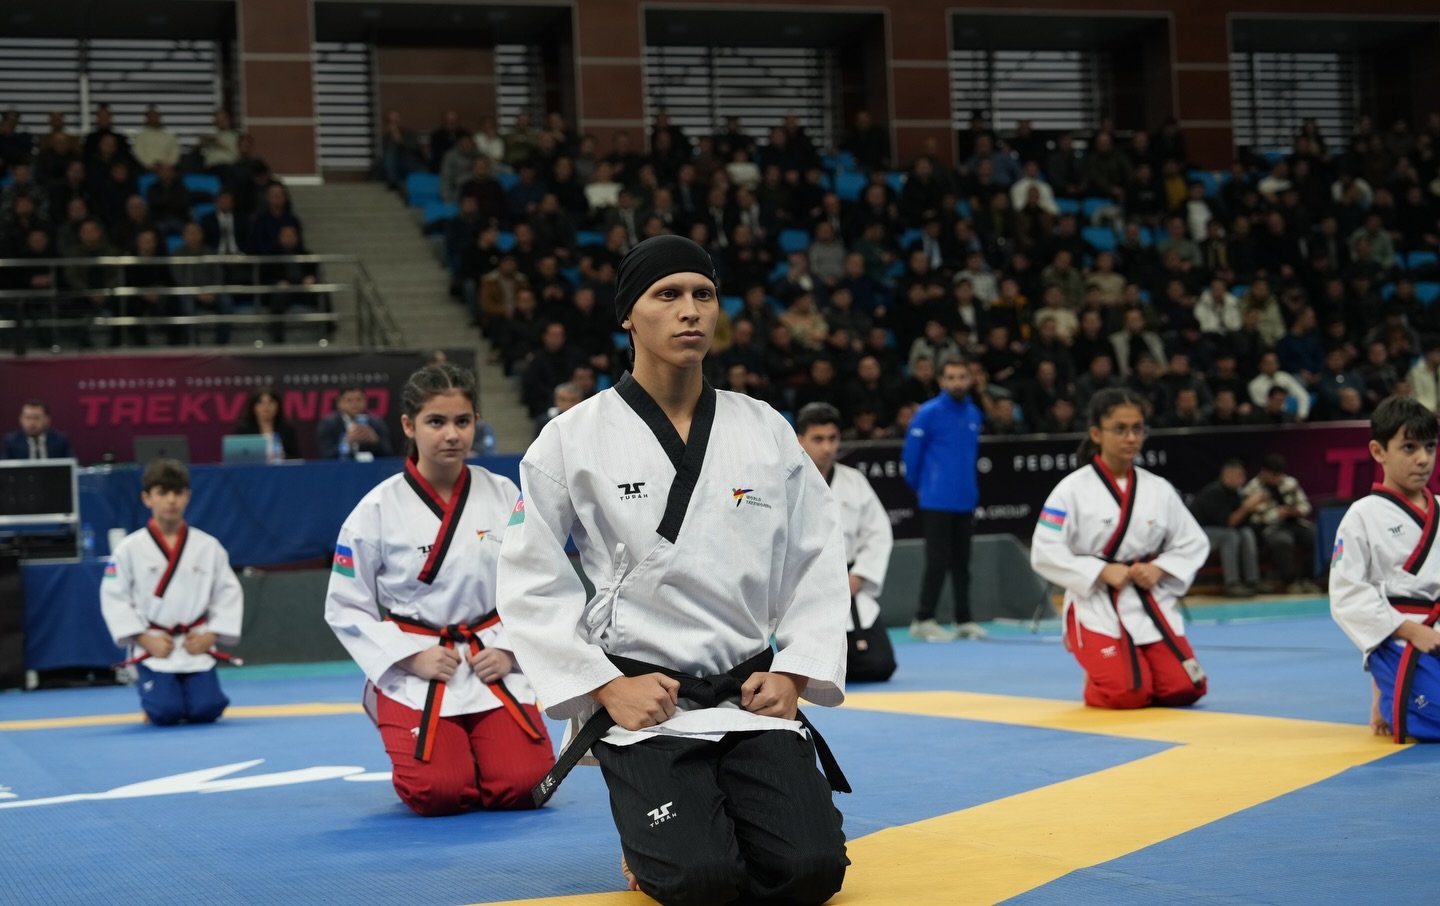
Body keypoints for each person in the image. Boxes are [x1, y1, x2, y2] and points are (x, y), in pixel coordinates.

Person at [496, 235, 850, 903]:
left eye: (703, 294)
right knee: (699, 880)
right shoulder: (572, 437)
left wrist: (795, 671)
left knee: (810, 870)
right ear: (628, 316)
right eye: (668, 295)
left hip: (748, 693)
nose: (691, 310)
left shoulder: (764, 428)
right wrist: (605, 687)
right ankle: (653, 835)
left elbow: (818, 553)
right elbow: (529, 577)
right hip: (645, 704)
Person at [325, 365, 554, 815]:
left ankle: (485, 752)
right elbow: (346, 606)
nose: (452, 434)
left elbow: (538, 580)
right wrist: (410, 657)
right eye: (436, 422)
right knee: (438, 792)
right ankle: (449, 754)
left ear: (475, 423)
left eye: (462, 421)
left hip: (490, 657)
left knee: (527, 786)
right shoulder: (376, 509)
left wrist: (509, 648)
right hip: (419, 665)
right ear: (409, 425)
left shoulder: (503, 493)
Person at [1030, 388, 1211, 709]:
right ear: (1096, 434)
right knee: (1127, 694)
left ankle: (1135, 670)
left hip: (1146, 598)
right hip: (1096, 602)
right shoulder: (1070, 491)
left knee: (1187, 688)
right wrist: (1100, 570)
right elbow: (1045, 551)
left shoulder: (1158, 489)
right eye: (1120, 429)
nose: (1131, 438)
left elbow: (1193, 541)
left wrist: (1159, 568)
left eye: (1137, 429)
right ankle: (1100, 675)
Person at [1330, 396, 1440, 743]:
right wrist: (1410, 630)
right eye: (1409, 447)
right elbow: (1347, 593)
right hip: (1400, 635)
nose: (1423, 459)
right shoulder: (1362, 515)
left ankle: (1392, 692)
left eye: (1430, 446)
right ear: (1378, 451)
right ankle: (1390, 690)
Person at [99, 459, 243, 725]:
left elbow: (228, 593)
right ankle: (154, 700)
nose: (171, 500)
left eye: (178, 492)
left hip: (195, 644)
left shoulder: (208, 546)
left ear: (188, 496)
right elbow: (114, 598)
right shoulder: (128, 549)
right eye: (162, 493)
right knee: (165, 712)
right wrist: (143, 638)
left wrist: (211, 635)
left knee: (207, 709)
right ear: (147, 498)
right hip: (155, 647)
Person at [797, 402, 897, 683]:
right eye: (818, 439)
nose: (827, 448)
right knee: (805, 673)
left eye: (833, 439)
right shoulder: (785, 481)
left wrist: (859, 576)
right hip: (803, 588)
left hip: (848, 584)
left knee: (880, 665)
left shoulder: (854, 481)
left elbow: (878, 533)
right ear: (799, 439)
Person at [901, 356, 984, 641]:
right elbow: (911, 457)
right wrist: (923, 488)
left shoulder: (974, 413)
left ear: (970, 379)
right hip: (936, 500)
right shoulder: (928, 413)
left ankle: (964, 619)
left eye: (962, 377)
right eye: (951, 377)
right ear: (941, 381)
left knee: (963, 563)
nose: (957, 382)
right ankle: (923, 618)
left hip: (965, 500)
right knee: (937, 561)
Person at [1189, 460, 1267, 597]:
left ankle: (1252, 581)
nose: (1243, 479)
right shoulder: (1214, 492)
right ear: (1228, 475)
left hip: (1219, 531)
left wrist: (1253, 509)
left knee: (1246, 533)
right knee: (1230, 535)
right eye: (1239, 475)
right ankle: (1232, 583)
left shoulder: (1235, 493)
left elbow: (1241, 523)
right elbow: (1228, 522)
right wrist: (1246, 507)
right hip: (1198, 534)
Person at [1242, 454, 1319, 593]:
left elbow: (1305, 506)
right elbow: (1255, 518)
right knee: (1283, 541)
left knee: (1314, 536)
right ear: (1264, 472)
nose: (1277, 478)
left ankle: (1308, 579)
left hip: (1295, 523)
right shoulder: (1252, 488)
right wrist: (1278, 513)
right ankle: (1290, 581)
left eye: (1279, 475)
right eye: (1273, 475)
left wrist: (1296, 511)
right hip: (1270, 527)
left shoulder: (1290, 483)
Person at [315, 385, 392, 459]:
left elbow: (388, 454)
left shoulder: (377, 424)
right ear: (339, 403)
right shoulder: (328, 425)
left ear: (365, 401)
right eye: (349, 400)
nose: (354, 404)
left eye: (358, 399)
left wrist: (376, 441)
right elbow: (326, 455)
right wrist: (346, 443)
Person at [233, 386, 300, 462]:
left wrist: (284, 457)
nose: (266, 407)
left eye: (271, 402)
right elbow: (236, 458)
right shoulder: (244, 430)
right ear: (253, 407)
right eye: (261, 402)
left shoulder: (287, 429)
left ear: (278, 406)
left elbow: (297, 458)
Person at [3, 399, 74, 460]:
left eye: (36, 418)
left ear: (47, 420)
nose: (32, 422)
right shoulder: (11, 442)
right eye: (27, 418)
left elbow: (73, 464)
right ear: (21, 419)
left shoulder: (60, 440)